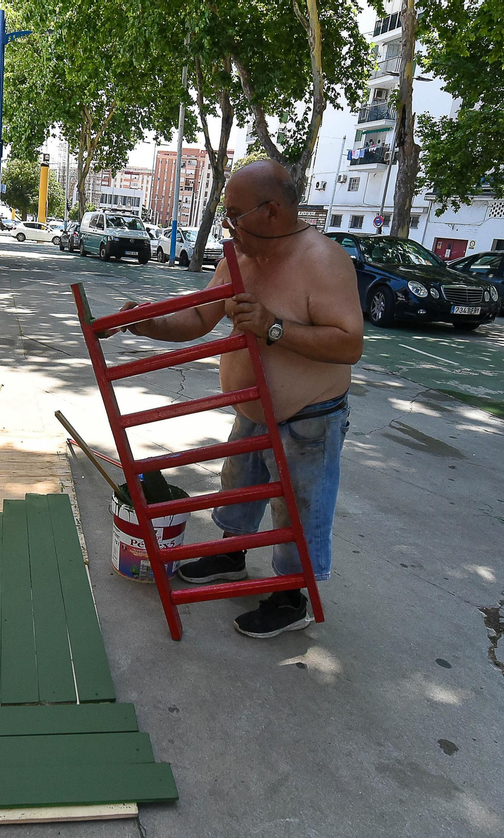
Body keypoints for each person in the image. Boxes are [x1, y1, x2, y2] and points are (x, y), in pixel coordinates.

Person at [112, 160, 363, 638]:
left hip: (307, 417)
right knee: (240, 484)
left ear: (271, 211)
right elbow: (199, 318)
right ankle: (231, 552)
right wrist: (146, 321)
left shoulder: (323, 260)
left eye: (233, 213)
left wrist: (274, 327)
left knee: (298, 507)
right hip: (251, 409)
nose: (227, 224)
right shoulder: (239, 257)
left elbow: (348, 343)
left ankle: (291, 596)